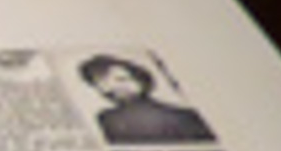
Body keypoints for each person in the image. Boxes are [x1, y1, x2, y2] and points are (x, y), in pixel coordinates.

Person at [79, 54, 216, 145]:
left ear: (140, 79)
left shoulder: (185, 116)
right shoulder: (106, 119)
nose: (113, 88)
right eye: (100, 84)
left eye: (122, 79)